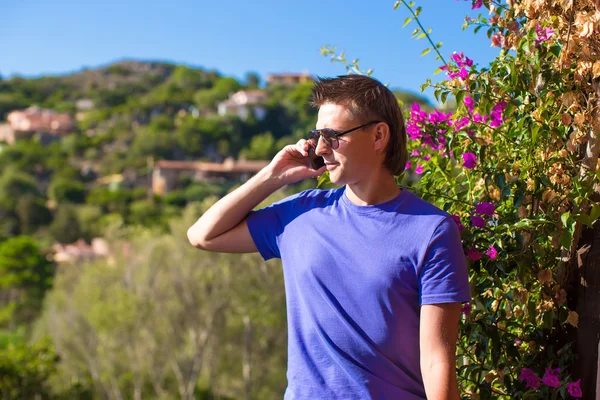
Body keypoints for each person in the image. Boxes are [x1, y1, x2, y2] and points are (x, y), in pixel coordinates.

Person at [187, 74, 471, 399]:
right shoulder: (298, 215)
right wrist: (271, 176)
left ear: (379, 136)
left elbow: (437, 362)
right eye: (317, 136)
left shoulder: (431, 231)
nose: (321, 148)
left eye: (333, 136)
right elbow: (202, 235)